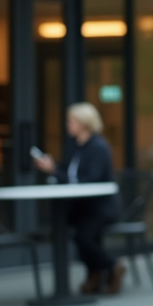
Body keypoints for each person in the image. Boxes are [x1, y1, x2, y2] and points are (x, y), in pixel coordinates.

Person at [33, 103, 124, 295]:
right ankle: (95, 275)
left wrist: (54, 172)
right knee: (76, 229)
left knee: (83, 235)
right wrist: (53, 168)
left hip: (101, 207)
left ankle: (113, 266)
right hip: (83, 207)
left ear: (84, 123)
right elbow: (68, 174)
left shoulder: (98, 147)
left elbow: (88, 181)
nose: (67, 125)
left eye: (71, 121)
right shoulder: (76, 147)